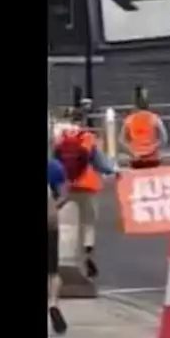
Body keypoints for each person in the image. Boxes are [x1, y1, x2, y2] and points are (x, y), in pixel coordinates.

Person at [52, 108, 118, 278]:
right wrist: (113, 171)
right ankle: (87, 253)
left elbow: (53, 162)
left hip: (67, 186)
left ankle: (65, 260)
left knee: (68, 225)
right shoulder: (88, 138)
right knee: (88, 223)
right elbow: (100, 164)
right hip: (88, 186)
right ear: (82, 121)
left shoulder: (60, 139)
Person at [119, 89, 168, 169]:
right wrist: (154, 148)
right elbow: (164, 138)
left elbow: (121, 140)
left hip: (136, 159)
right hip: (152, 158)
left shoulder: (129, 119)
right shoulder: (154, 118)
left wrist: (131, 152)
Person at [47, 159, 69, 335]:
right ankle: (53, 303)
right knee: (53, 271)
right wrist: (54, 207)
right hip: (50, 224)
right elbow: (64, 194)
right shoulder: (54, 167)